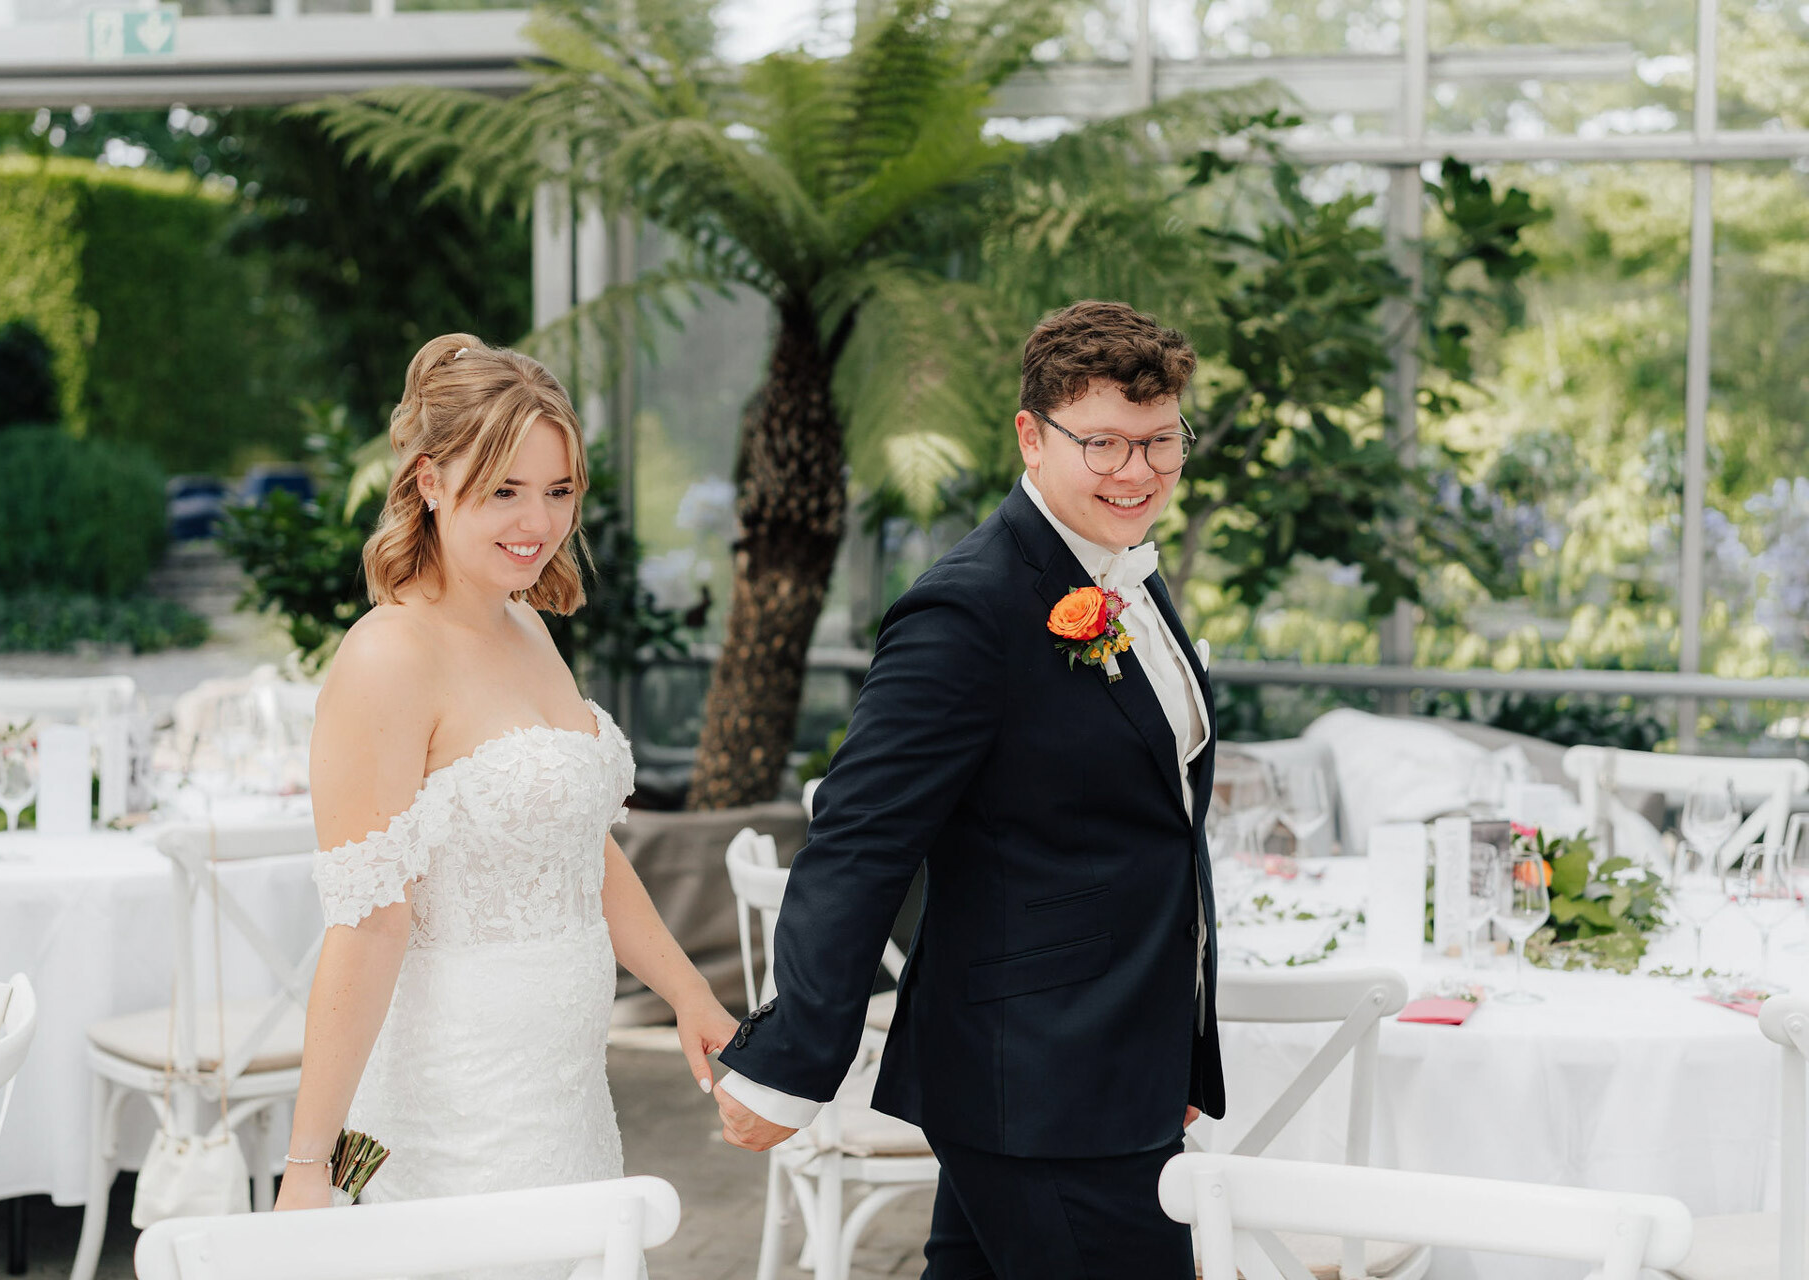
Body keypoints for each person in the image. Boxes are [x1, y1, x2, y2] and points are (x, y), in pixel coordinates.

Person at [712, 301, 1223, 1279]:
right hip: (1042, 1082)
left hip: (1100, 1066)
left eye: (1161, 441)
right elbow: (860, 838)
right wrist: (787, 1062)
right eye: (1104, 442)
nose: (1139, 470)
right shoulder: (969, 606)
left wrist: (1177, 1049)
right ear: (1032, 437)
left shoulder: (1126, 568)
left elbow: (1142, 830)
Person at [275, 335, 737, 1262]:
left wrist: (690, 991)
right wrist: (307, 1166)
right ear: (431, 482)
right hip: (455, 1099)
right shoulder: (388, 656)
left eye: (559, 491)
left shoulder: (525, 624)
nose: (539, 523)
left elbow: (575, 846)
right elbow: (367, 926)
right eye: (505, 492)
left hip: (563, 1093)